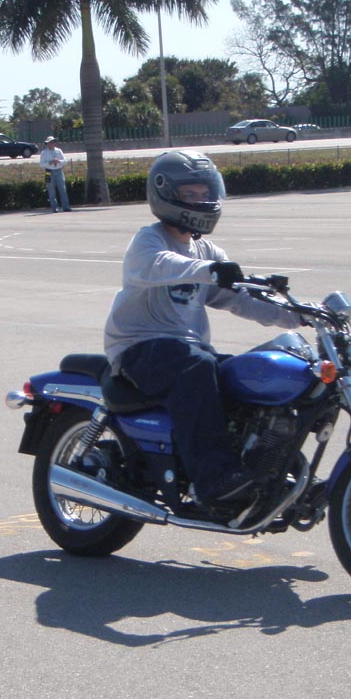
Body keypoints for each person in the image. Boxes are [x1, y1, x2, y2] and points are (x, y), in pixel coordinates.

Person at [103, 150, 301, 505]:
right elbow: (158, 265)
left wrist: (299, 315)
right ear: (166, 194)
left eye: (205, 193)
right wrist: (209, 271)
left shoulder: (206, 250)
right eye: (190, 194)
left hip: (187, 351)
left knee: (248, 374)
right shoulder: (149, 241)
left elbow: (240, 299)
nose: (201, 201)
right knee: (198, 365)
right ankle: (214, 481)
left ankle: (260, 468)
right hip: (138, 347)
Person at [39, 135, 71, 213]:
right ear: (47, 144)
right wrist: (50, 163)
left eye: (53, 142)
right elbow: (42, 164)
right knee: (51, 190)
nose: (52, 143)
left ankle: (66, 207)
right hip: (48, 171)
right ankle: (54, 208)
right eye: (50, 142)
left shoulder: (59, 151)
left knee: (62, 189)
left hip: (59, 170)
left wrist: (59, 161)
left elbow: (65, 161)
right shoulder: (44, 153)